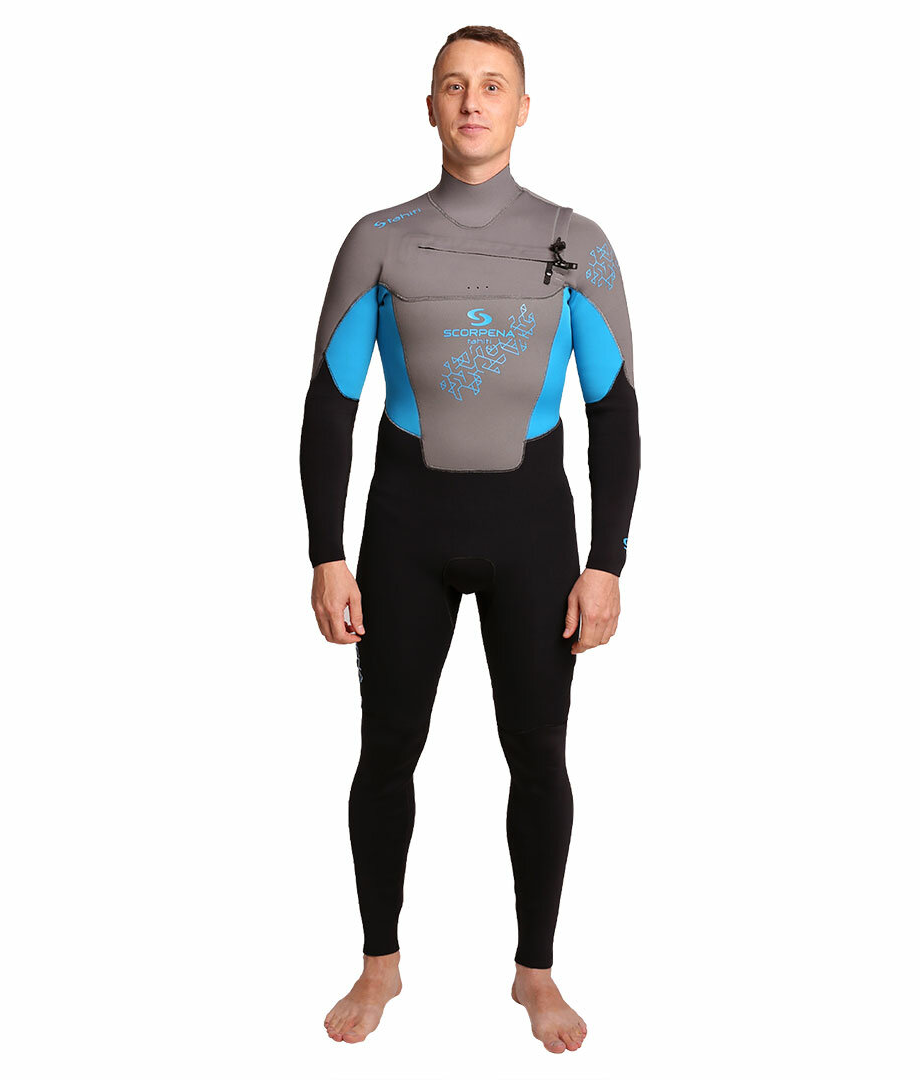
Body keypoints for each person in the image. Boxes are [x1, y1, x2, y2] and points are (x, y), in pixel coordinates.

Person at [300, 25, 640, 1054]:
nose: (473, 101)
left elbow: (615, 412)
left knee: (538, 754)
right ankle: (380, 963)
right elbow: (329, 406)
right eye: (454, 85)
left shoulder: (577, 241)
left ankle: (536, 971)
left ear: (523, 108)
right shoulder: (378, 239)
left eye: (493, 86)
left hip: (533, 532)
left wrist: (607, 563)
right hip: (405, 531)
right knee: (385, 752)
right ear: (430, 107)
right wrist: (326, 552)